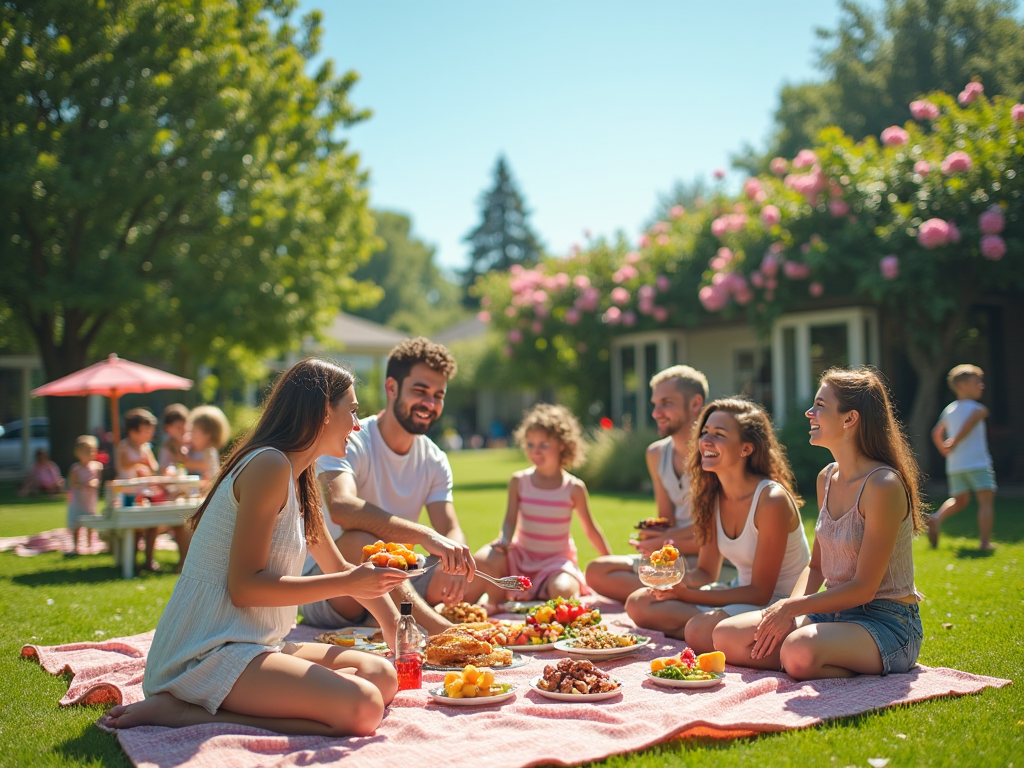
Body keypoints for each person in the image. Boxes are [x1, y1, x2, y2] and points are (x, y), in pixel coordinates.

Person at [99, 358, 408, 736]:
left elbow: (336, 566)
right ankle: (184, 711)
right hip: (207, 652)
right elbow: (245, 588)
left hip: (257, 643)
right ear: (323, 411)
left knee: (383, 676)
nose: (358, 425)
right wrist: (349, 585)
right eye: (353, 411)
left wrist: (396, 627)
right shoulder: (269, 466)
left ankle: (300, 695)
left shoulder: (298, 477)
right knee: (363, 708)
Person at [713, 367, 925, 680]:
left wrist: (792, 611)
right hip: (832, 614)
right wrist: (788, 608)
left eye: (820, 406)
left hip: (887, 622)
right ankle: (810, 659)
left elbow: (865, 588)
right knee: (726, 635)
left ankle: (810, 659)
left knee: (798, 649)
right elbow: (816, 568)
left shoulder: (883, 485)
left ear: (849, 419)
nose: (809, 412)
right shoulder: (827, 477)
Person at [300, 338, 475, 635]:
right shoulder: (349, 438)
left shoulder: (434, 457)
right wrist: (426, 535)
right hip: (332, 585)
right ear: (391, 388)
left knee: (482, 562)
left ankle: (381, 619)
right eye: (420, 391)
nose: (430, 404)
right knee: (363, 544)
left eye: (438, 395)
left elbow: (449, 528)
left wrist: (456, 553)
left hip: (398, 578)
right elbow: (342, 507)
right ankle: (442, 632)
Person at [624, 399, 810, 649]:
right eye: (705, 432)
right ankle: (717, 634)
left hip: (777, 604)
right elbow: (706, 572)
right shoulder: (713, 496)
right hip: (738, 593)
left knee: (699, 629)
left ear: (746, 449)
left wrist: (688, 596)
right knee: (639, 603)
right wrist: (672, 583)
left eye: (719, 435)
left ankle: (712, 633)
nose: (706, 441)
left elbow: (760, 592)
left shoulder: (770, 499)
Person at [465, 404, 612, 605]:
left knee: (563, 592)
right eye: (531, 445)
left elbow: (590, 530)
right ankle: (494, 605)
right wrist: (505, 540)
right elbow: (509, 522)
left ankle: (541, 593)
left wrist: (610, 561)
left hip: (556, 564)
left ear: (562, 444)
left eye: (544, 445)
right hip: (520, 558)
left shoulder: (573, 488)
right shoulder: (519, 481)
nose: (536, 451)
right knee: (483, 559)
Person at [585, 365, 709, 602]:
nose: (656, 412)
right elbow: (666, 520)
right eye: (655, 404)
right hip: (676, 552)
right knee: (596, 570)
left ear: (695, 403)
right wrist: (652, 536)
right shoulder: (656, 454)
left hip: (708, 554)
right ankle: (671, 595)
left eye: (666, 403)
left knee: (640, 599)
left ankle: (667, 596)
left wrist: (667, 540)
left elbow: (718, 535)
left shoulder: (715, 454)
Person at [929, 364, 997, 551]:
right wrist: (956, 440)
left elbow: (936, 432)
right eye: (977, 382)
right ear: (963, 385)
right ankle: (985, 543)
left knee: (960, 500)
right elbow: (973, 420)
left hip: (955, 465)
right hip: (977, 463)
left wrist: (944, 450)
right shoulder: (978, 409)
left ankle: (936, 518)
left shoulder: (949, 409)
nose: (981, 385)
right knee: (985, 501)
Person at [115, 408, 162, 571]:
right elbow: (123, 465)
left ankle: (149, 559)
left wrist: (147, 464)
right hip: (128, 494)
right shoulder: (124, 447)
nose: (150, 434)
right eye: (146, 431)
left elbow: (154, 467)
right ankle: (132, 559)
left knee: (152, 524)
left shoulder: (145, 448)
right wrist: (138, 464)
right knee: (135, 528)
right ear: (134, 432)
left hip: (144, 493)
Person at [66, 436, 103, 555]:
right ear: (78, 452)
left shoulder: (97, 467)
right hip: (78, 501)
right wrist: (82, 485)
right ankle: (75, 546)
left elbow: (98, 481)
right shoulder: (75, 468)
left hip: (89, 501)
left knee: (90, 523)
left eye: (91, 450)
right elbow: (72, 483)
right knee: (76, 524)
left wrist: (94, 483)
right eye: (86, 451)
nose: (90, 454)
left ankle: (90, 544)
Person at [187, 405, 231, 487]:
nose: (191, 435)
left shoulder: (209, 452)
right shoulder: (194, 451)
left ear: (208, 435)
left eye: (193, 431)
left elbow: (213, 479)